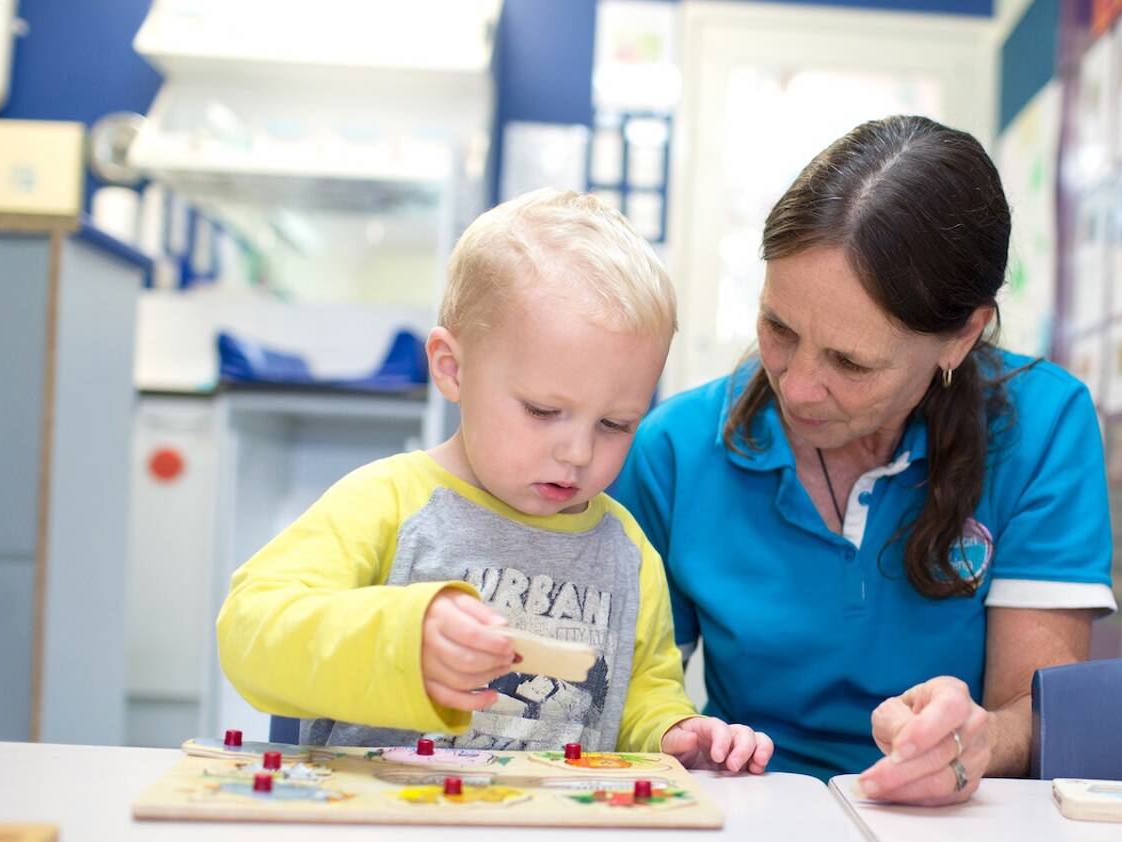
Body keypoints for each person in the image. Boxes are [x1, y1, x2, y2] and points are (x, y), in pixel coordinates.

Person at [613, 117, 1112, 802]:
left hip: (954, 823)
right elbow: (627, 695)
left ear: (961, 336)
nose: (795, 387)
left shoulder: (1042, 428)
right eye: (778, 329)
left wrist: (978, 739)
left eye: (851, 362)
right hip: (753, 815)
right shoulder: (673, 449)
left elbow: (1033, 715)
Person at [216, 189, 772, 774]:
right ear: (451, 369)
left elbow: (638, 695)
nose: (579, 452)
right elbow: (250, 629)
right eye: (541, 410)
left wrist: (673, 732)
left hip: (549, 840)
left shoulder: (626, 551)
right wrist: (404, 639)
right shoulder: (387, 503)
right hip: (379, 840)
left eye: (615, 423)